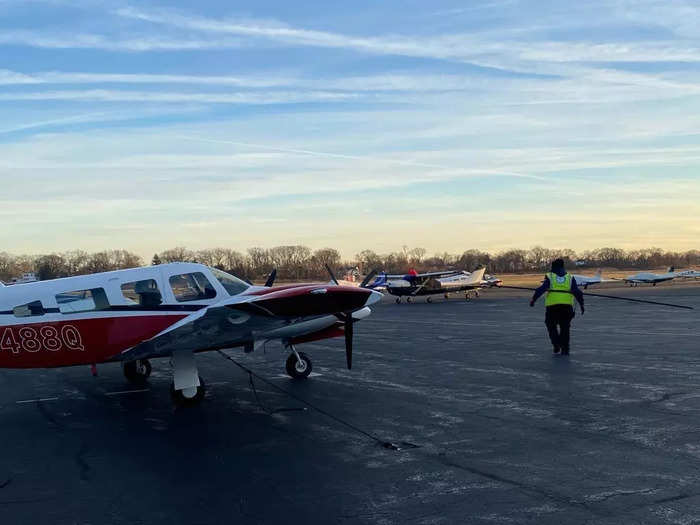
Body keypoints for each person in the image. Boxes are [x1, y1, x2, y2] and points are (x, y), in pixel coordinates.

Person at [530, 259, 584, 355]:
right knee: (565, 328)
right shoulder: (570, 277)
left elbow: (542, 289)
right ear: (563, 267)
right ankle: (565, 349)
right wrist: (581, 304)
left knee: (551, 326)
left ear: (553, 267)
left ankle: (556, 344)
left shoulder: (550, 276)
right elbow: (577, 292)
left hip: (552, 307)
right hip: (567, 307)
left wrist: (534, 299)